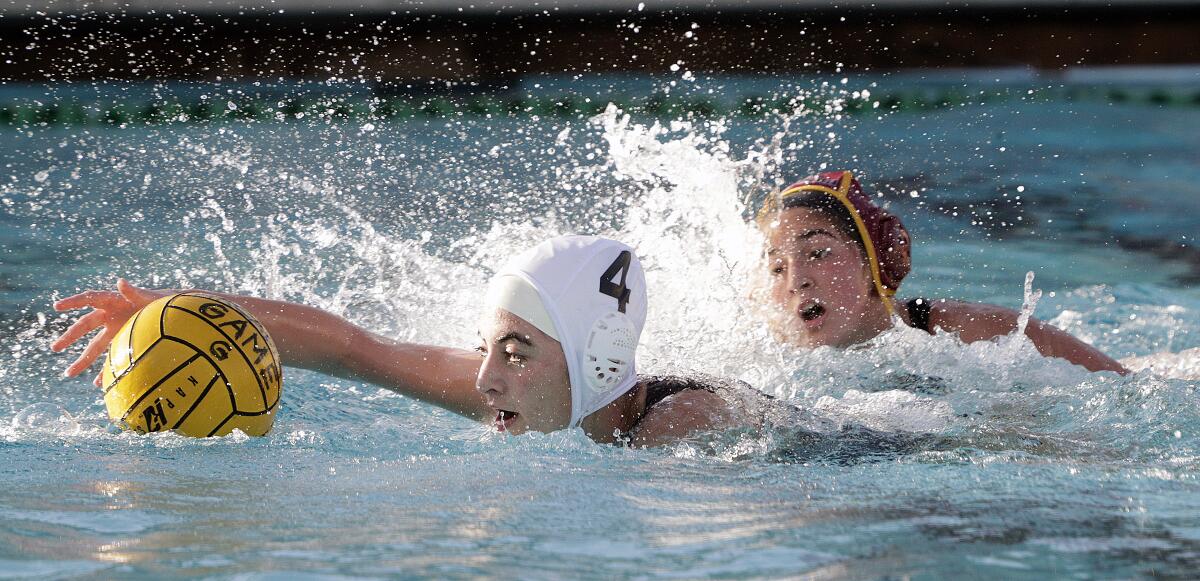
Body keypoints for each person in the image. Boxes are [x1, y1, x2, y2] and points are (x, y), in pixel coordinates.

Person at [51, 235, 742, 446]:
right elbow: (356, 349)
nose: (485, 379)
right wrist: (180, 308)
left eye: (517, 351)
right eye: (488, 347)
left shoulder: (686, 426)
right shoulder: (529, 397)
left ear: (597, 358)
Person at [756, 170, 1128, 374]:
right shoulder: (771, 366)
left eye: (818, 252)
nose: (796, 280)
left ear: (875, 261)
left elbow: (1121, 389)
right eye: (777, 267)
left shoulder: (967, 332)